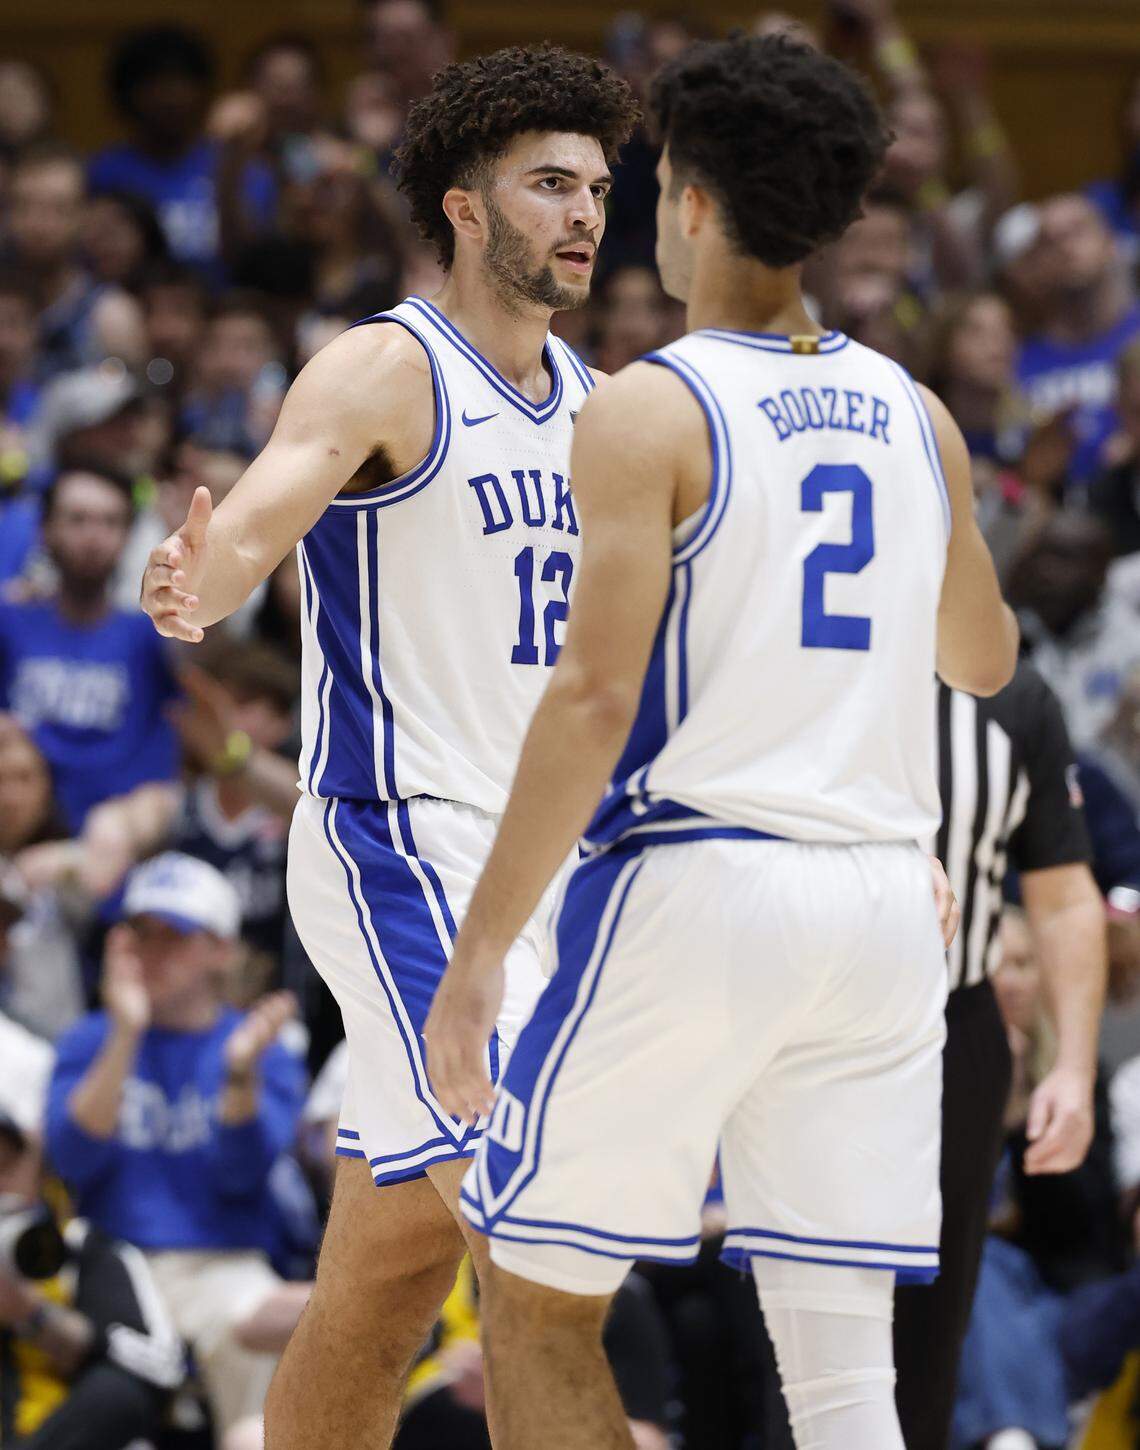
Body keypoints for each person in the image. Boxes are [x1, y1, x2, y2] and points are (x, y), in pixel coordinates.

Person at [424, 33, 1016, 1450]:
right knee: (843, 1368)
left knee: (534, 1292)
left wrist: (483, 948)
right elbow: (980, 657)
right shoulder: (916, 415)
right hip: (884, 909)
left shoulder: (652, 403)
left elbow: (590, 702)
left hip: (704, 882)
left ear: (683, 196)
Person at [139, 42, 639, 1450]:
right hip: (398, 842)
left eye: (597, 186)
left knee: (381, 1275)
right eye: (550, 183)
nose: (585, 213)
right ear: (468, 206)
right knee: (537, 1230)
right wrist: (201, 573)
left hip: (537, 873)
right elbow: (253, 523)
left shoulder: (605, 413)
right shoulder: (386, 366)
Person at [45, 852, 304, 1437]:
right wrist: (125, 1030)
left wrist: (239, 1076)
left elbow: (242, 1177)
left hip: (223, 1266)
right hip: (117, 1264)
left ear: (221, 950)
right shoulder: (89, 1040)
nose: (155, 951)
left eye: (177, 936)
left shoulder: (261, 1046)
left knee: (257, 1427)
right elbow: (72, 1163)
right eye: (143, 933)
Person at [0, 460, 180, 832]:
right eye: (78, 519)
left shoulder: (151, 634)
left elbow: (211, 653)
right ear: (45, 529)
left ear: (130, 536)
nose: (94, 536)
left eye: (110, 522)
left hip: (117, 837)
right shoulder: (10, 621)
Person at [0, 1107, 184, 1450]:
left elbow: (162, 1368)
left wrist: (32, 1314)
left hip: (82, 1427)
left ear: (38, 1170)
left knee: (117, 1393)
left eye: (6, 1166)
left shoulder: (86, 1247)